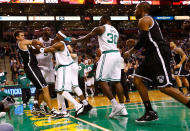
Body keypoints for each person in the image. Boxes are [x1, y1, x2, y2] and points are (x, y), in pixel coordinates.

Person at [124, 2, 190, 122]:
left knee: (165, 87)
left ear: (141, 9)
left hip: (157, 53)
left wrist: (131, 50)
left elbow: (143, 40)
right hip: (150, 54)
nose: (134, 12)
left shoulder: (144, 20)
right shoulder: (147, 21)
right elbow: (147, 39)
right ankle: (150, 111)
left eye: (135, 9)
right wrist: (134, 43)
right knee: (137, 79)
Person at [71, 15, 128, 117]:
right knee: (116, 81)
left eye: (100, 20)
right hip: (117, 54)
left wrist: (76, 41)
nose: (98, 22)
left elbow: (87, 36)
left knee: (100, 80)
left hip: (108, 54)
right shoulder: (115, 30)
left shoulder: (101, 28)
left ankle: (115, 105)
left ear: (105, 20)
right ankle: (123, 108)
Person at [36, 30, 90, 117]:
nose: (55, 35)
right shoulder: (59, 43)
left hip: (65, 67)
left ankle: (78, 105)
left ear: (60, 36)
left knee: (62, 90)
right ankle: (64, 111)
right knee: (58, 91)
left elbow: (47, 49)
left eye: (57, 34)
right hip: (61, 68)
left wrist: (36, 47)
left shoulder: (60, 44)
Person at [13, 30, 57, 117]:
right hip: (31, 67)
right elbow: (36, 41)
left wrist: (39, 48)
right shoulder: (22, 42)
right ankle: (52, 110)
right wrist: (42, 45)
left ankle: (36, 108)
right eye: (21, 35)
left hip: (33, 67)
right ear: (17, 37)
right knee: (45, 88)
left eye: (23, 35)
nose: (23, 37)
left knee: (41, 89)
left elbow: (36, 50)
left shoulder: (24, 45)